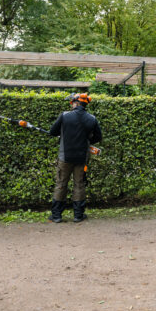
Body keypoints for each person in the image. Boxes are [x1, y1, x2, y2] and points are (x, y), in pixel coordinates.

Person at [48, 93, 102, 223]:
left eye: (72, 102)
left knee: (61, 183)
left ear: (76, 103)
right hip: (82, 157)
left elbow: (52, 132)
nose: (71, 104)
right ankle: (78, 215)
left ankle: (56, 215)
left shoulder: (65, 116)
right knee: (79, 184)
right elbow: (98, 137)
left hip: (64, 157)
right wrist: (88, 141)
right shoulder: (92, 119)